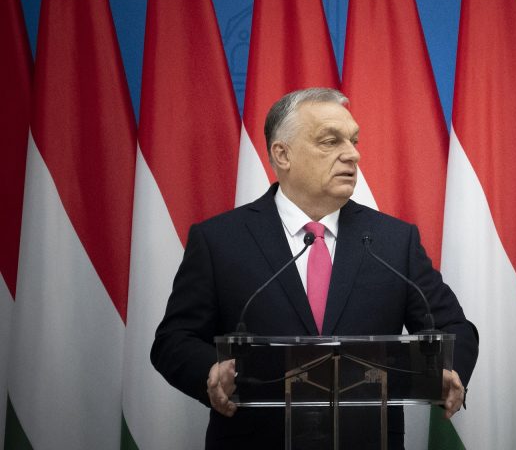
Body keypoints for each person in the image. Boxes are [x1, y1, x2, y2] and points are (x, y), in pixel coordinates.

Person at [151, 88, 479, 449]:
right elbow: (173, 340)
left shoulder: (393, 241)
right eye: (330, 141)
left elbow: (454, 328)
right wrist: (211, 371)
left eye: (353, 141)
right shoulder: (220, 240)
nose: (352, 154)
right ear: (283, 154)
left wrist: (449, 370)